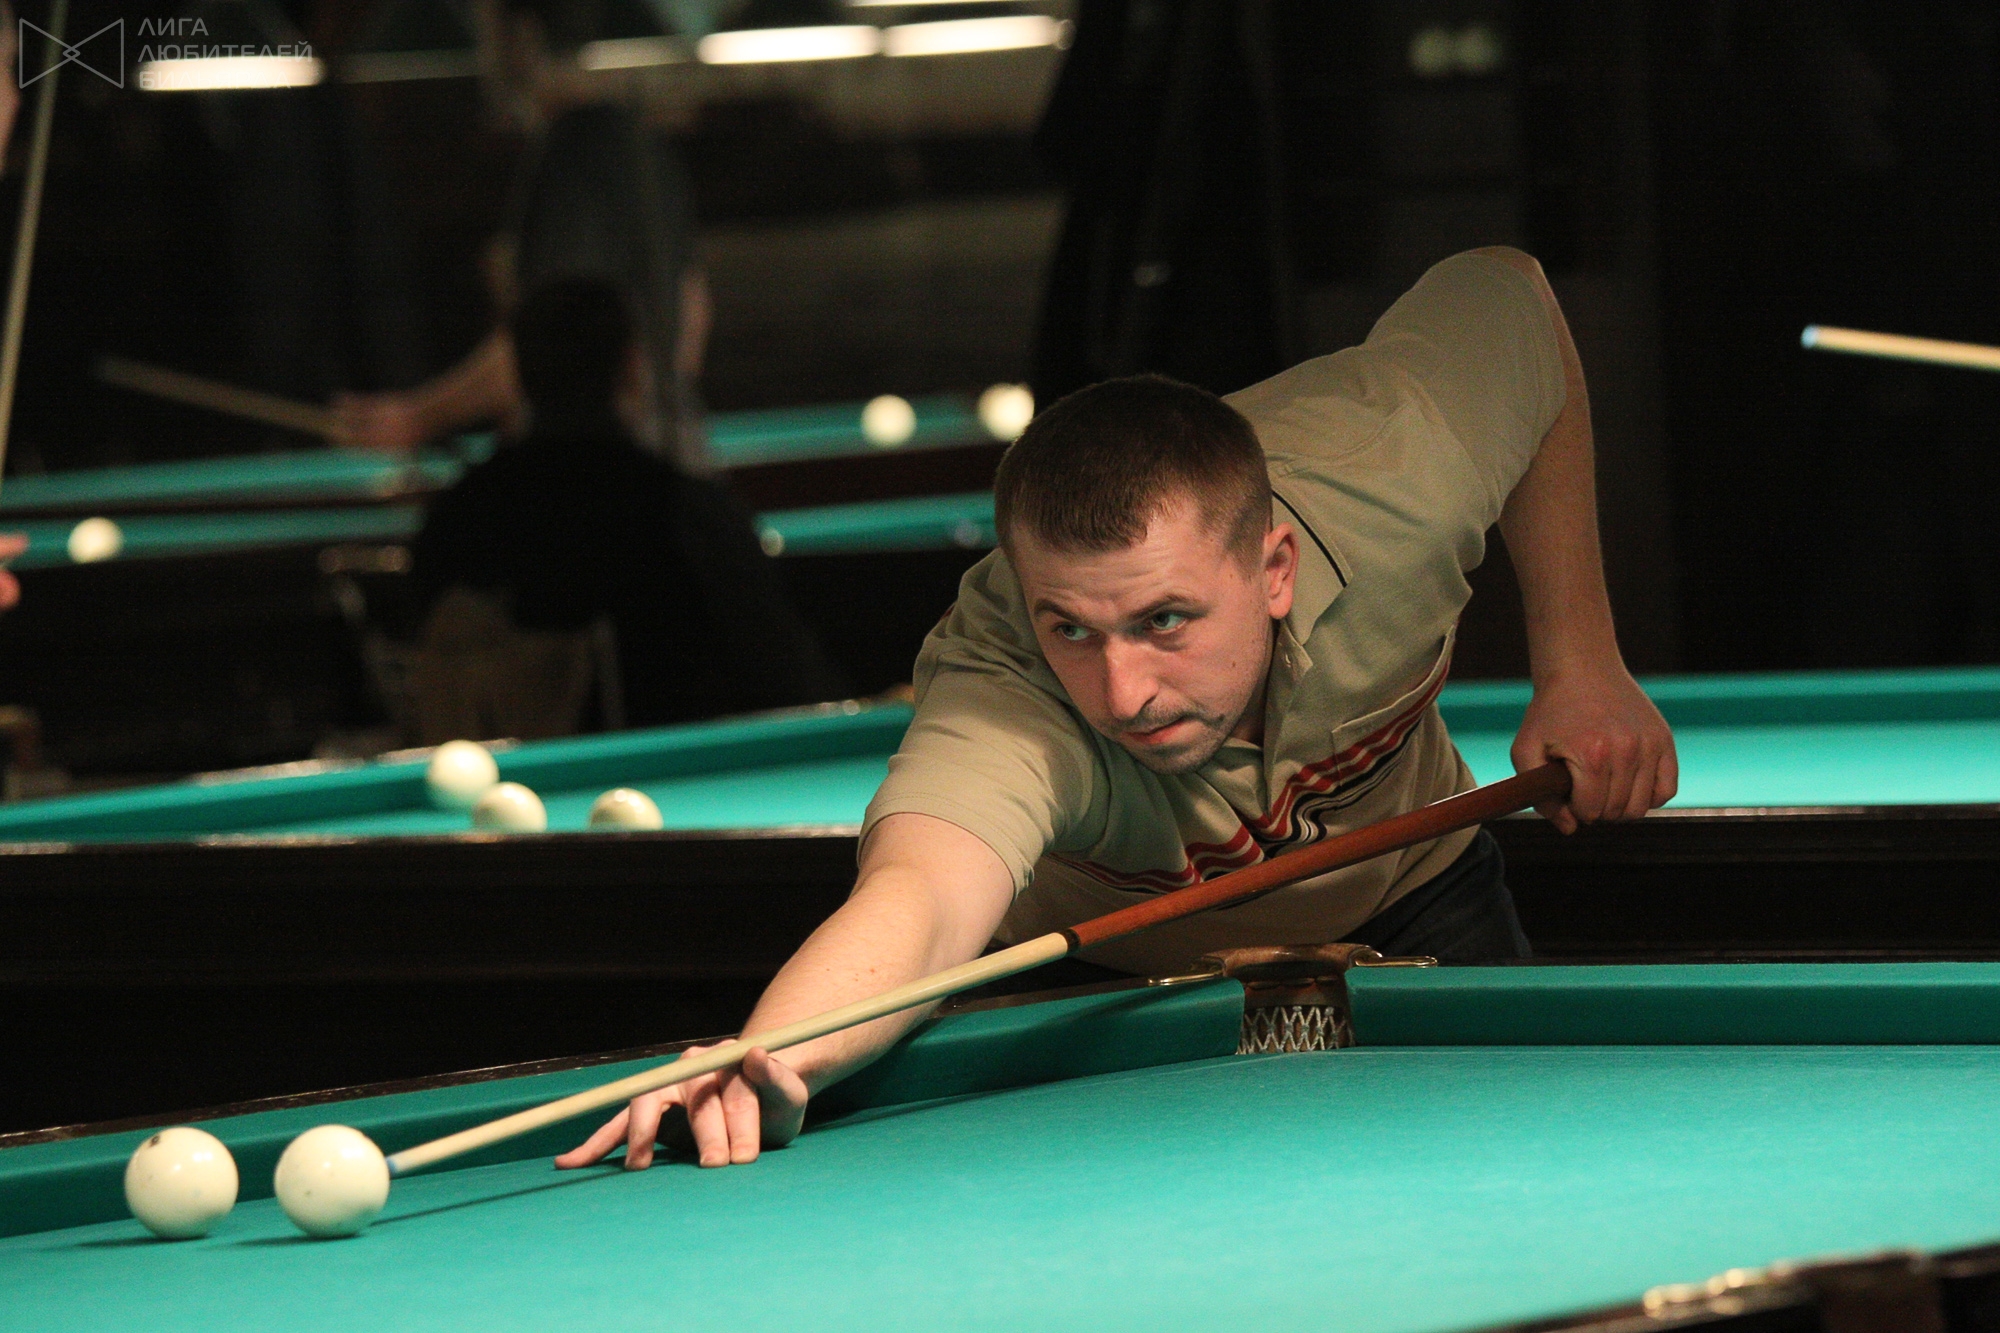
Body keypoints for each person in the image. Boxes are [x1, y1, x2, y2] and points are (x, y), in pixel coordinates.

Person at [555, 247, 1678, 1173]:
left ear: (1273, 569)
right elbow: (922, 900)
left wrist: (1581, 660)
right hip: (1098, 989)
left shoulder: (1394, 479)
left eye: (1165, 620)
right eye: (1072, 628)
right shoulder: (1004, 685)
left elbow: (1510, 294)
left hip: (1416, 896)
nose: (1122, 692)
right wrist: (769, 1051)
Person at [406, 276, 843, 731]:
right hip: (680, 753)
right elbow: (788, 674)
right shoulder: (686, 510)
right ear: (632, 368)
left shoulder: (456, 517)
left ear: (519, 373)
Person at [335, 0, 710, 472]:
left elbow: (550, 346)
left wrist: (415, 418)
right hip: (670, 468)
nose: (486, 53)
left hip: (595, 477)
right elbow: (691, 320)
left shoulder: (574, 153)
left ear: (523, 36)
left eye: (489, 30)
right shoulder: (646, 147)